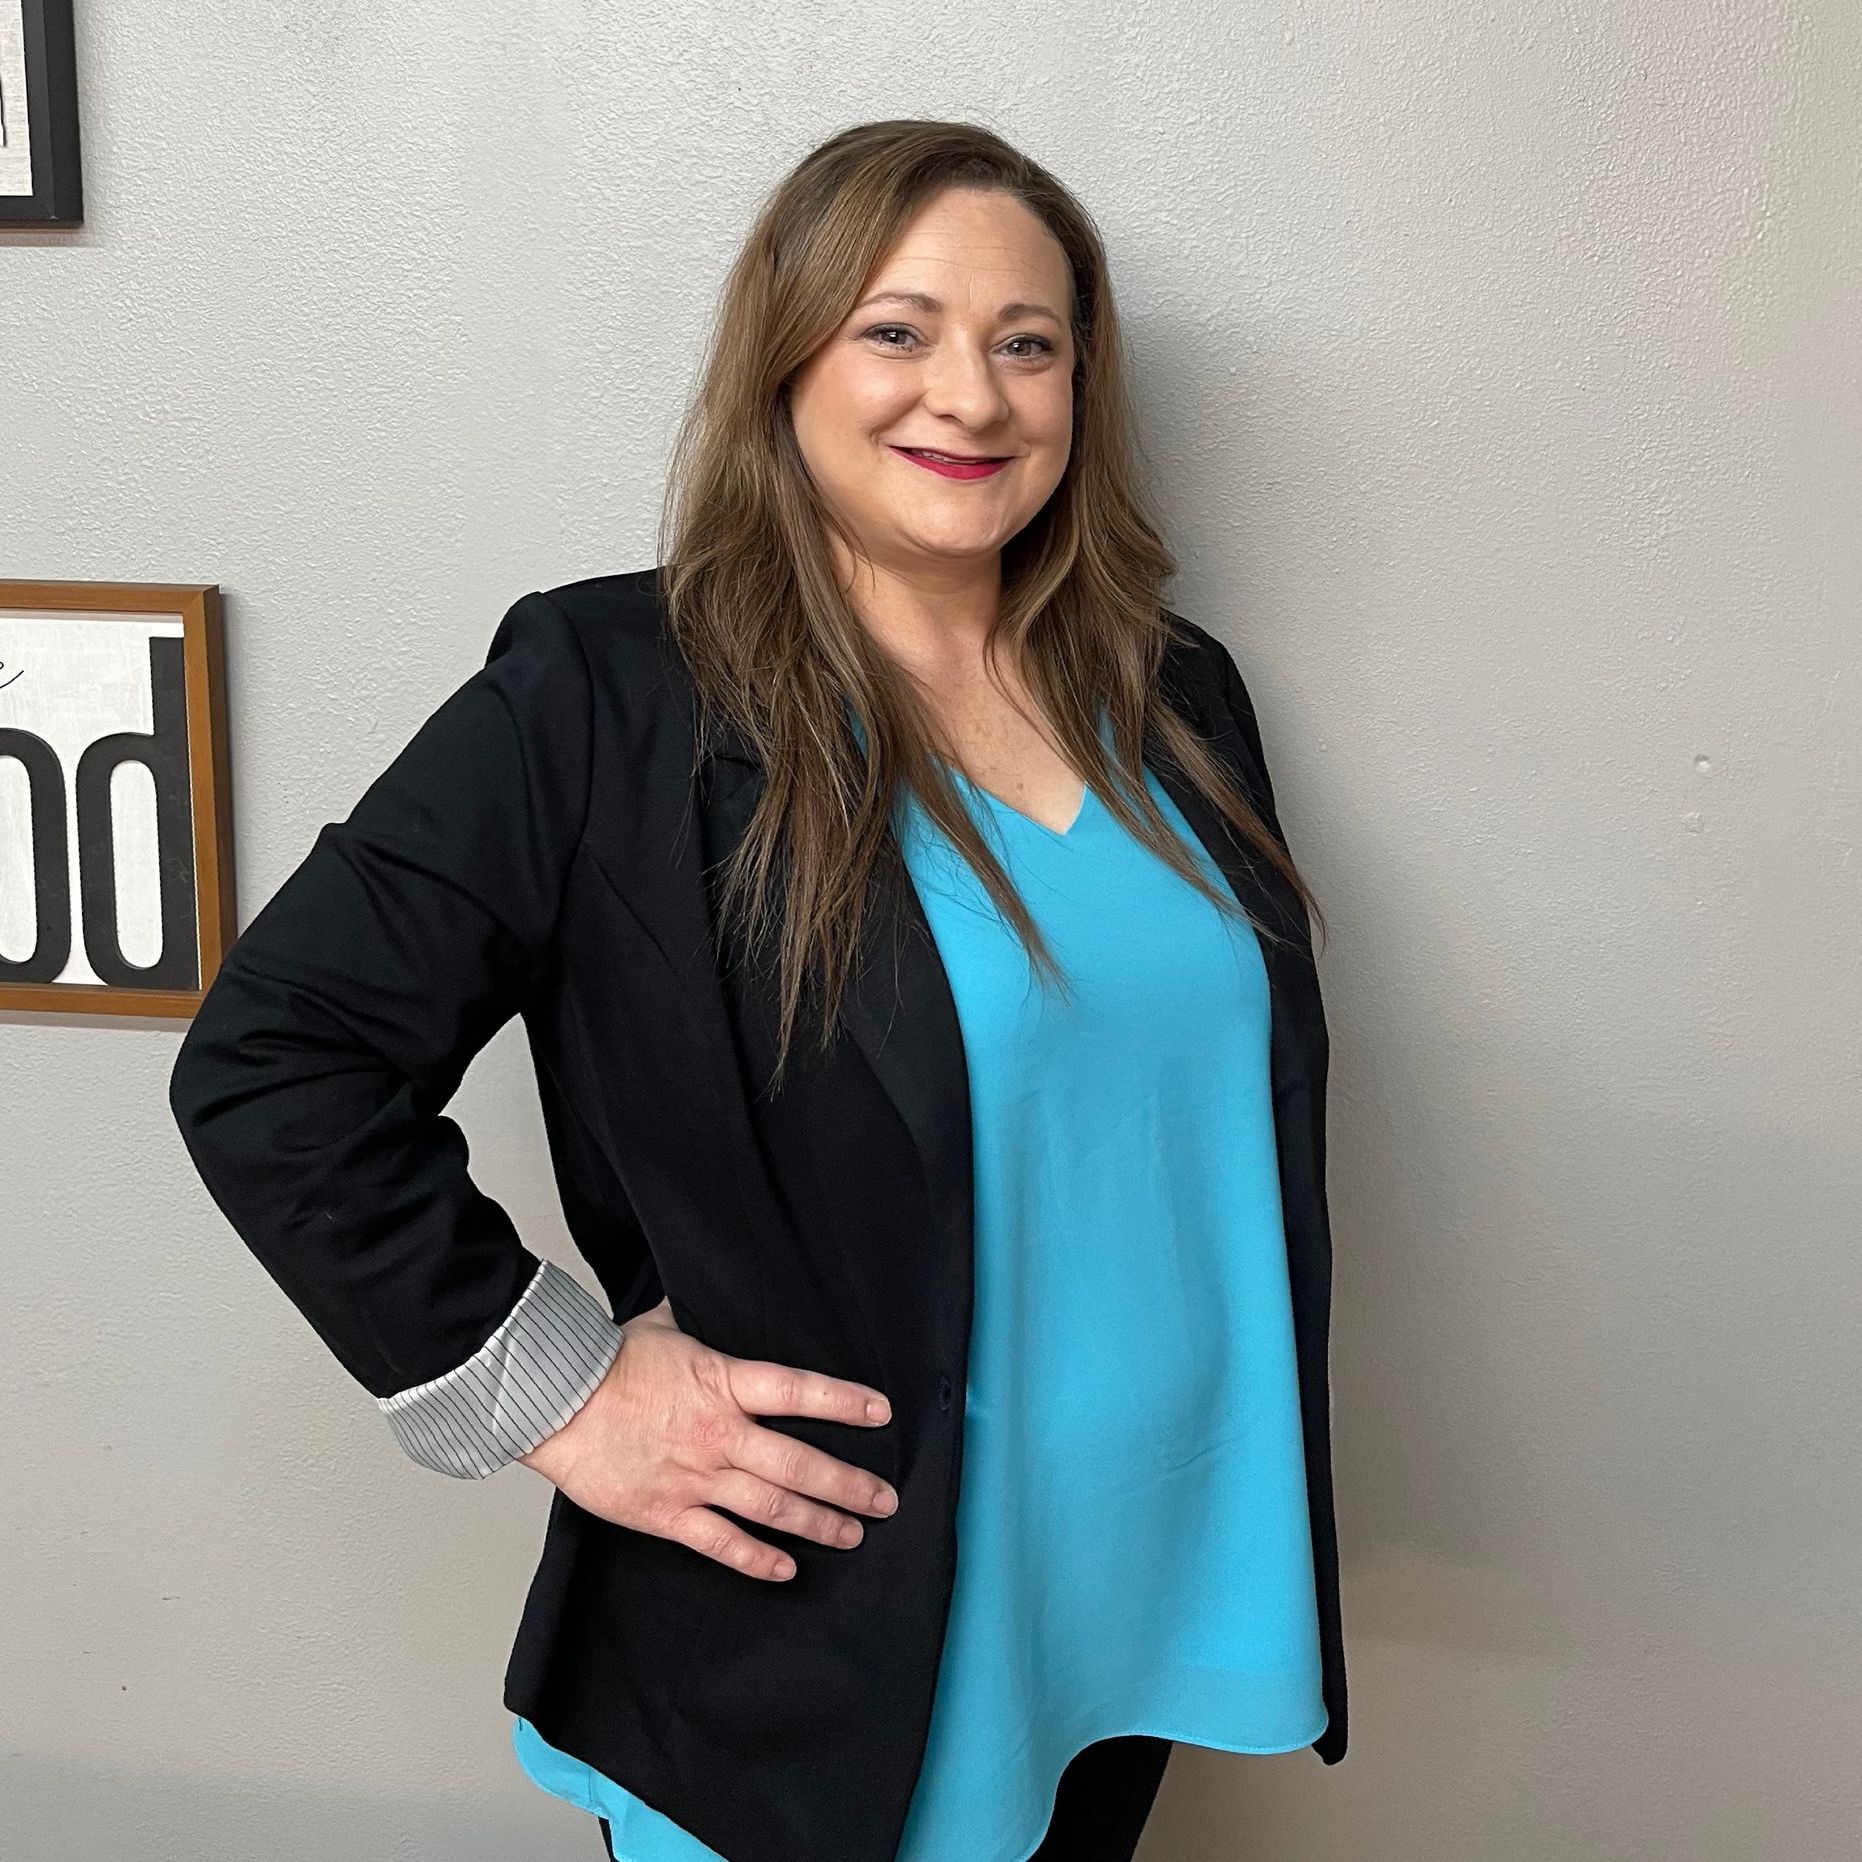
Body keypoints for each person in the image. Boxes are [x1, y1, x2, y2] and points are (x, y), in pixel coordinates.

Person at [167, 118, 1348, 1862]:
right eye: (899, 328)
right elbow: (277, 1062)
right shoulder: (605, 693)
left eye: (1027, 343)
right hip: (831, 1633)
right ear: (785, 355)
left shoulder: (1174, 692)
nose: (972, 392)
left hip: (1145, 1581)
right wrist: (560, 1390)